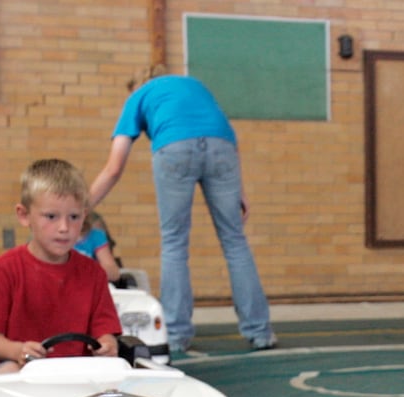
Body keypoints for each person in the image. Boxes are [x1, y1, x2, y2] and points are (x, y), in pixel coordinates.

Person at [88, 67, 276, 353]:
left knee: (174, 243)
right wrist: (241, 191)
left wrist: (80, 208)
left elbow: (114, 167)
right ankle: (260, 332)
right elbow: (228, 136)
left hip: (174, 147)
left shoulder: (139, 95)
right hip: (222, 148)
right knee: (235, 242)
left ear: (138, 85)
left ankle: (175, 335)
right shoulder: (195, 86)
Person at [0, 159, 121, 374]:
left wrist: (108, 346)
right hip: (20, 370)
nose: (64, 228)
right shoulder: (3, 269)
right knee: (9, 370)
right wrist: (17, 350)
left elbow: (104, 332)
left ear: (85, 217)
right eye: (51, 216)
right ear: (24, 215)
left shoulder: (94, 273)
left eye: (74, 217)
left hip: (78, 374)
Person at [75, 211, 123, 284]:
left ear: (85, 214)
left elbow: (114, 274)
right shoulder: (54, 237)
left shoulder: (96, 236)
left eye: (73, 216)